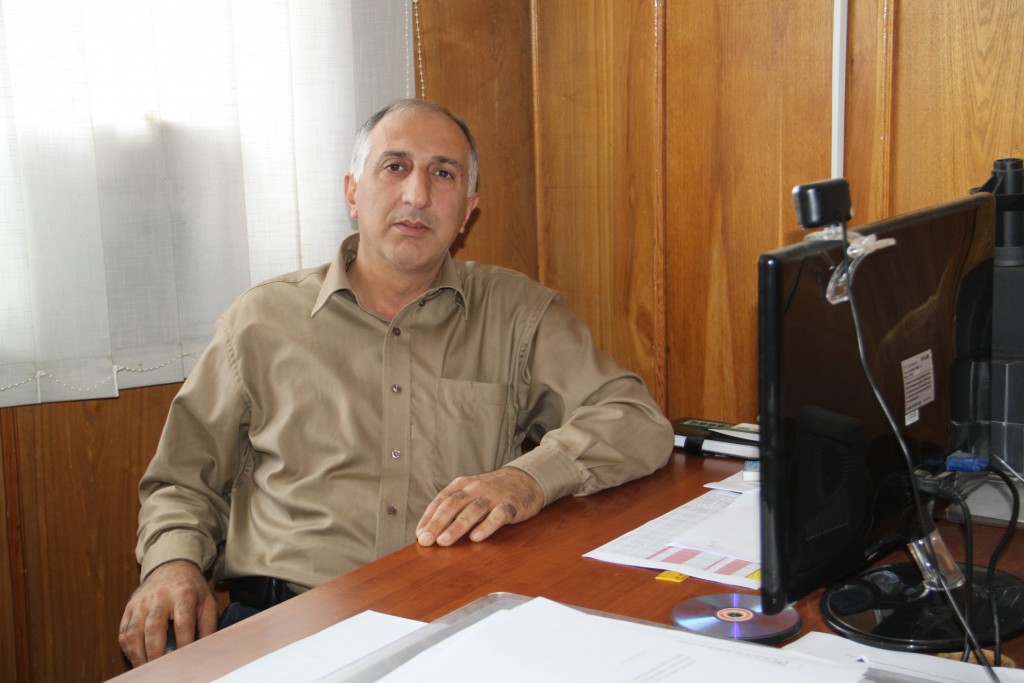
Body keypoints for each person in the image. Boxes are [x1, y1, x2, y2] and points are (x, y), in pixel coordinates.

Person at [118, 99, 673, 667]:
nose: (417, 195)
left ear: (468, 210)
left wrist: (526, 480)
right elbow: (182, 481)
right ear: (352, 193)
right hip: (289, 624)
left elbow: (634, 419)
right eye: (394, 167)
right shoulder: (260, 321)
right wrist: (173, 565)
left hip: (460, 626)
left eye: (443, 174)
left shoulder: (516, 314)